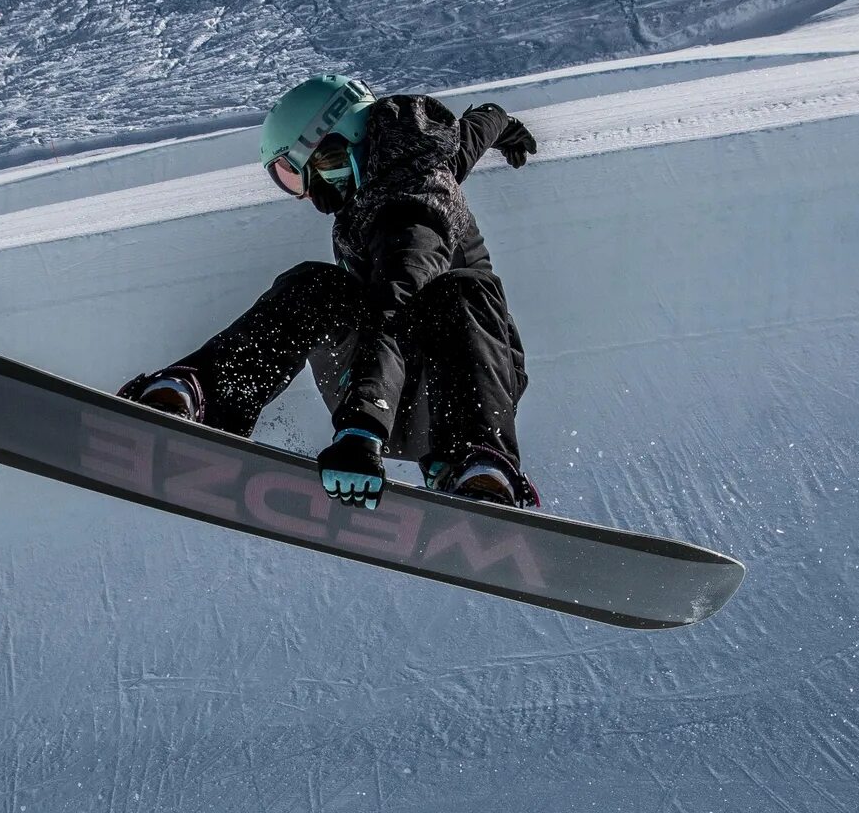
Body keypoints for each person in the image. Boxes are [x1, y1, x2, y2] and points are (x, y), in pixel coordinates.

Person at [120, 73, 543, 509]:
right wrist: (504, 125)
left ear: (349, 141)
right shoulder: (422, 151)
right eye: (288, 179)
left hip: (447, 400)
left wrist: (362, 430)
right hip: (371, 379)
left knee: (463, 292)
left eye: (309, 171)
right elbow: (475, 129)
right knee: (319, 286)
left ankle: (480, 466)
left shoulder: (413, 210)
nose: (306, 194)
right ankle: (204, 392)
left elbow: (392, 313)